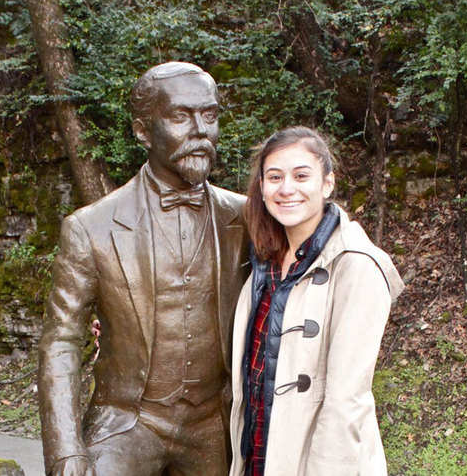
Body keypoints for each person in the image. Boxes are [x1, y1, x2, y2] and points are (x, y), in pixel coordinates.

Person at [38, 61, 249, 476]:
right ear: (141, 130)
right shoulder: (91, 227)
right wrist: (65, 451)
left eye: (209, 115)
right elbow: (61, 340)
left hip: (214, 423)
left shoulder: (245, 218)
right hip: (127, 421)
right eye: (180, 117)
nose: (200, 131)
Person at [229, 127, 404, 476]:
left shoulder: (356, 265)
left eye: (301, 175)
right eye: (274, 177)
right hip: (259, 454)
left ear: (327, 184)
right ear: (261, 187)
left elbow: (346, 402)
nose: (286, 188)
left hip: (315, 461)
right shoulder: (263, 261)